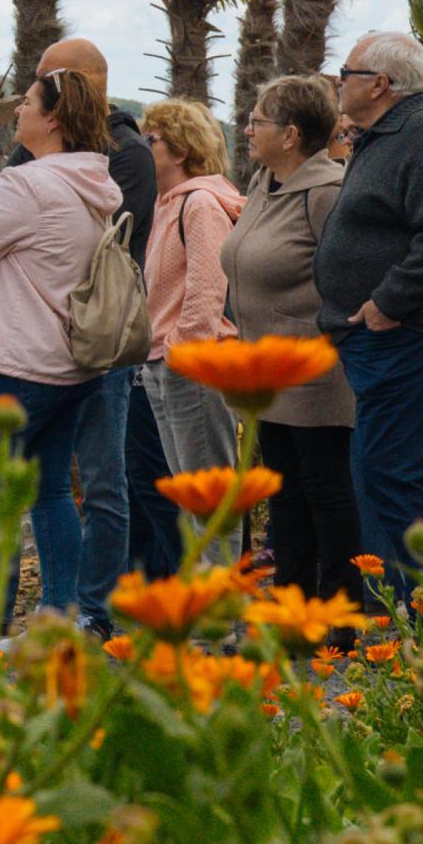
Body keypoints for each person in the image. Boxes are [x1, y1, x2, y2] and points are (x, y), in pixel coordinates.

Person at [0, 67, 124, 652]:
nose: (17, 111)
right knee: (51, 490)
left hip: (14, 363)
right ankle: (61, 617)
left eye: (29, 102)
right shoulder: (93, 186)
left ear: (53, 118)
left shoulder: (28, 186)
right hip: (71, 365)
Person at [314, 31, 423, 587]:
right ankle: (421, 608)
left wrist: (388, 302)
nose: (339, 81)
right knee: (388, 475)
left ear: (380, 84)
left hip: (418, 336)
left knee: (399, 477)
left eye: (347, 72)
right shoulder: (391, 133)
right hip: (389, 340)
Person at [219, 76, 361, 616]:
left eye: (258, 121)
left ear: (291, 135)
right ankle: (291, 606)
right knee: (284, 494)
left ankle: (339, 612)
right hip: (266, 368)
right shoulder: (264, 182)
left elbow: (349, 275)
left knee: (325, 491)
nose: (247, 129)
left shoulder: (326, 192)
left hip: (313, 372)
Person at [28, 39, 153, 627]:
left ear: (79, 81)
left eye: (45, 78)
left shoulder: (127, 154)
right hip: (44, 335)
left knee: (104, 479)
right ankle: (60, 601)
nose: (35, 89)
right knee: (47, 478)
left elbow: (86, 240)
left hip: (101, 337)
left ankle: (96, 610)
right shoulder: (38, 149)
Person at [138, 99, 245, 557]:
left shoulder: (200, 204)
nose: (141, 147)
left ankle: (221, 595)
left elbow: (207, 288)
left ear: (181, 151)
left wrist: (179, 351)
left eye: (151, 139)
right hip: (165, 364)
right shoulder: (166, 204)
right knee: (191, 496)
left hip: (192, 365)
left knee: (209, 500)